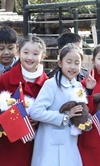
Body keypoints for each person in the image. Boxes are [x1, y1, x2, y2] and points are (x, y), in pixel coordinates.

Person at [30, 44, 86, 166]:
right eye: (69, 62)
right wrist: (64, 117)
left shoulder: (78, 85)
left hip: (70, 142)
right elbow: (36, 112)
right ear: (60, 63)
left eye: (77, 63)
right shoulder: (51, 84)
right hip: (50, 144)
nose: (73, 67)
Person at [0, 35, 48, 166]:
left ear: (43, 56)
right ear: (18, 51)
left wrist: (40, 118)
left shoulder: (48, 84)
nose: (30, 57)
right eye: (25, 52)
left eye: (35, 53)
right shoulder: (4, 79)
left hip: (39, 142)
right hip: (9, 144)